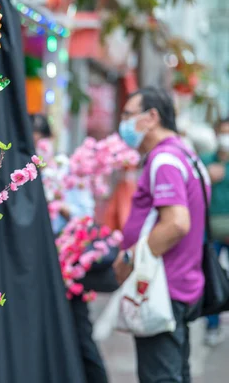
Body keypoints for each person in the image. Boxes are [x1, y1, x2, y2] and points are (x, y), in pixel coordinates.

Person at [113, 87, 208, 383]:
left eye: (128, 114)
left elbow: (177, 223)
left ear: (152, 117)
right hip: (178, 286)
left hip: (162, 290)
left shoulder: (164, 159)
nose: (124, 123)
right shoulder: (186, 155)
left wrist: (130, 257)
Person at [31, 113, 108, 383]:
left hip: (69, 265)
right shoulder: (29, 173)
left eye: (40, 139)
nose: (38, 145)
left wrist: (60, 206)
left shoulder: (66, 170)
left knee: (79, 332)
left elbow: (85, 218)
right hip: (41, 265)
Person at [200, 118, 229, 346]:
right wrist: (207, 177)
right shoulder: (205, 162)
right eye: (223, 132)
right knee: (211, 277)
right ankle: (212, 325)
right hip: (210, 230)